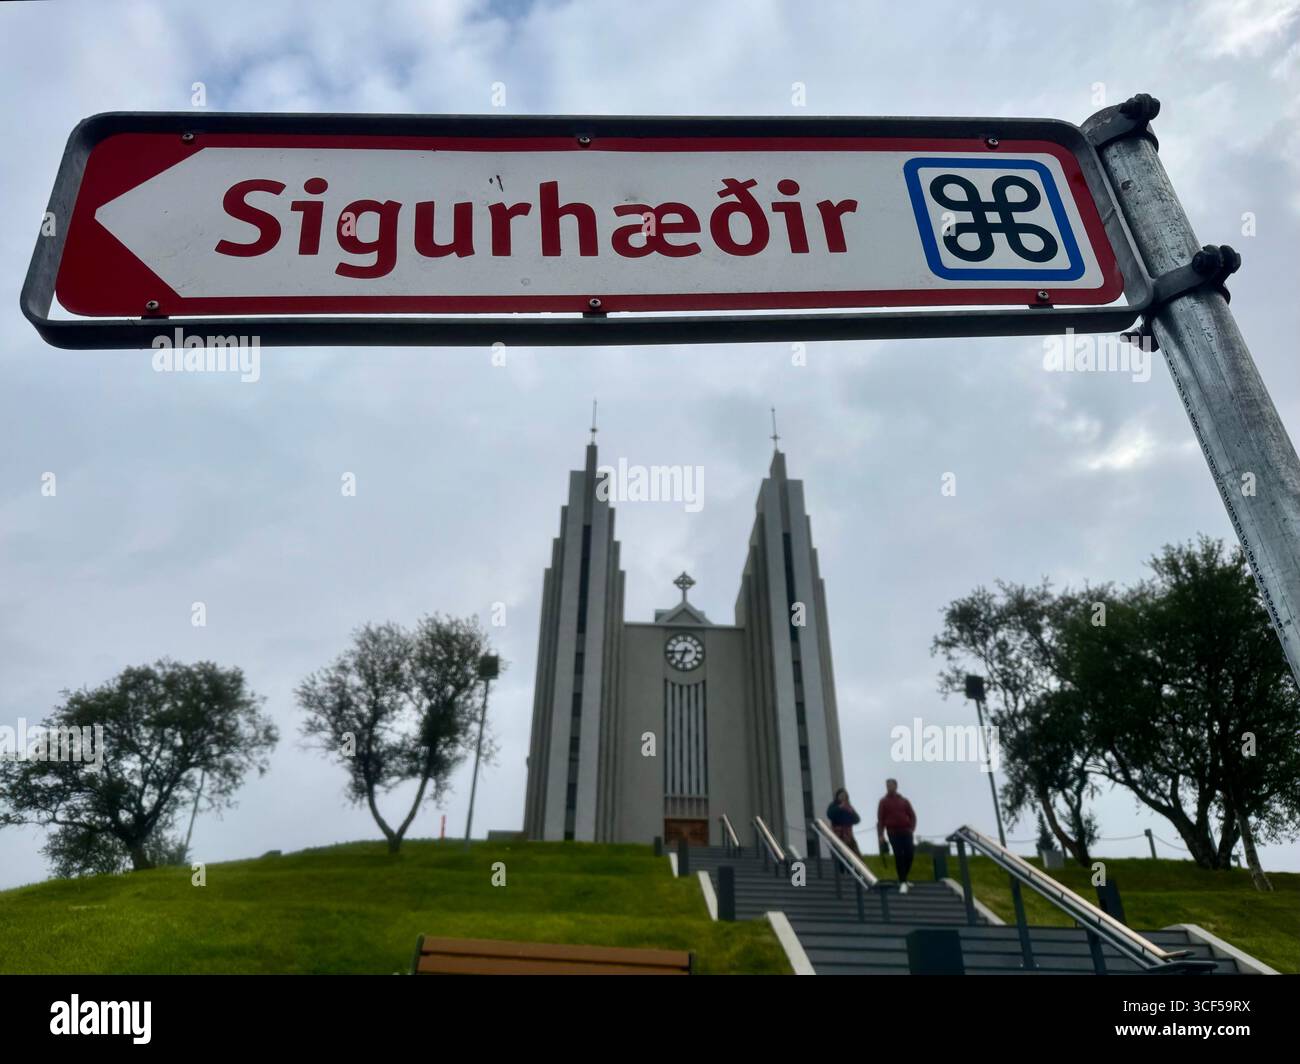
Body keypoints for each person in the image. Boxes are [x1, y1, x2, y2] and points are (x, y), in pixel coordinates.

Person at [876, 778, 917, 894]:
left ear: (896, 786)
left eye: (891, 785)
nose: (889, 787)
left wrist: (912, 828)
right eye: (887, 785)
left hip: (906, 831)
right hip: (893, 832)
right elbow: (880, 819)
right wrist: (881, 835)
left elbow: (912, 815)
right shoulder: (883, 801)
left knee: (909, 854)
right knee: (899, 855)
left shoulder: (904, 801)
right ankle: (903, 882)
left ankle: (903, 878)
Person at [825, 788, 861, 854]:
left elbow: (857, 820)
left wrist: (851, 812)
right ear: (837, 796)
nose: (843, 797)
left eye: (844, 796)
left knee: (855, 854)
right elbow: (829, 814)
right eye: (841, 795)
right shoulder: (833, 805)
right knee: (839, 853)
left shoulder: (849, 807)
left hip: (848, 835)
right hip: (838, 834)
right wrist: (840, 807)